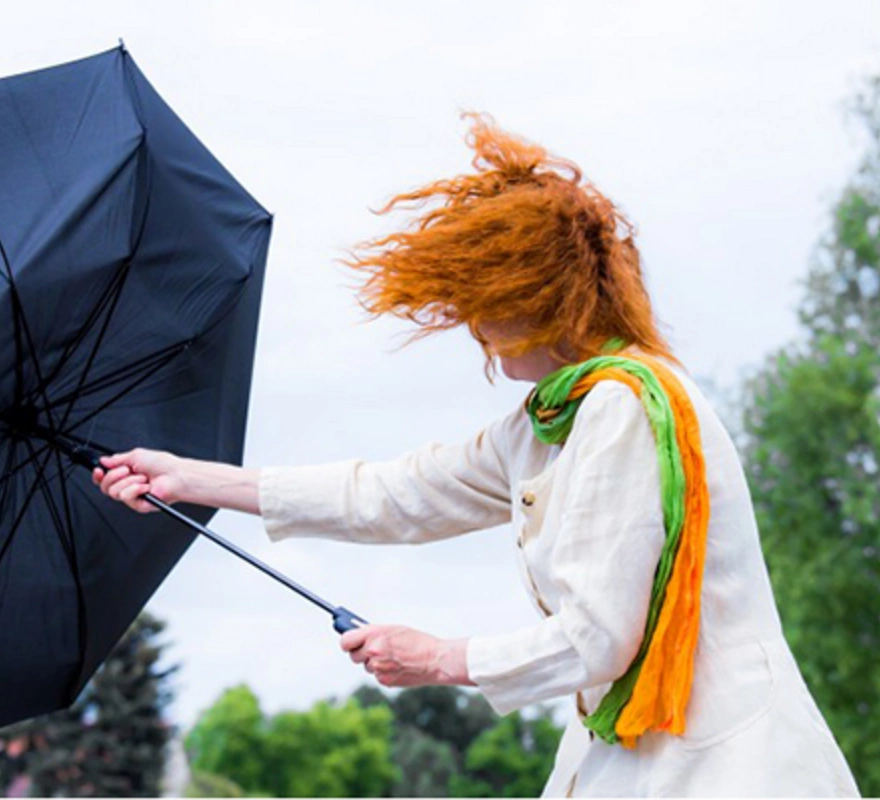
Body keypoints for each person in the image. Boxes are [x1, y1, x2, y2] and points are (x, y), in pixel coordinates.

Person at [89, 114, 860, 797]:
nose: (470, 326)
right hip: (639, 754)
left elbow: (598, 637)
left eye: (478, 302)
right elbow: (393, 493)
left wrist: (440, 658)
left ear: (537, 295)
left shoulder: (624, 408)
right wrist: (193, 479)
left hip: (726, 764)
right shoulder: (554, 418)